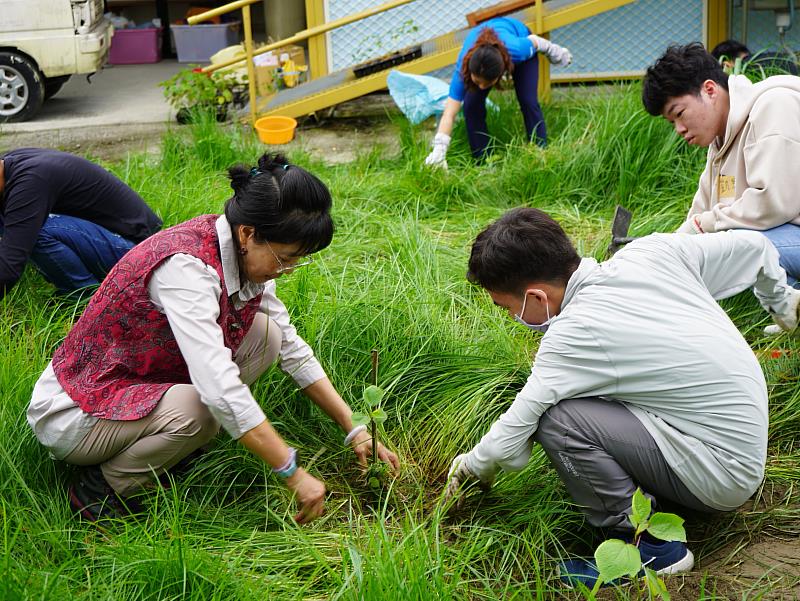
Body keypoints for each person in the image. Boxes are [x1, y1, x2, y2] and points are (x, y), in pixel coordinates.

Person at [27, 153, 399, 523]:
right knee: (204, 409)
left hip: (140, 381)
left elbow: (290, 348)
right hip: (81, 409)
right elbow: (219, 387)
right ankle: (102, 490)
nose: (288, 270)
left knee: (266, 336)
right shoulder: (186, 269)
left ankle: (172, 446)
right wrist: (290, 470)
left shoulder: (241, 255)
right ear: (248, 234)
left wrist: (356, 429)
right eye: (285, 258)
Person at [443, 207, 800, 588]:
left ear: (535, 296)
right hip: (738, 443)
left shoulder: (573, 334)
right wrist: (785, 309)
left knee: (560, 420)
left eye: (507, 307)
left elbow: (512, 432)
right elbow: (756, 246)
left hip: (722, 474)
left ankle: (650, 548)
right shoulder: (653, 252)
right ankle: (660, 502)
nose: (510, 316)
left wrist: (468, 471)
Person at [642, 43, 800, 284]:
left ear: (709, 90)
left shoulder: (774, 106)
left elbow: (773, 203)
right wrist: (670, 248)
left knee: (737, 249)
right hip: (788, 236)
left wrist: (702, 228)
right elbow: (702, 211)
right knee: (715, 252)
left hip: (790, 231)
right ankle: (791, 310)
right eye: (671, 122)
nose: (679, 129)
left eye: (680, 113)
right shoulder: (720, 140)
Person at [0, 148, 162, 298]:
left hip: (138, 251)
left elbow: (10, 267)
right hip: (110, 236)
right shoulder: (10, 165)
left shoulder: (30, 182)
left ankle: (86, 298)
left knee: (35, 231)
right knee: (16, 223)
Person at [424, 17, 572, 168]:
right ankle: (483, 162)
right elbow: (449, 113)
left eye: (487, 83)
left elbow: (537, 42)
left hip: (517, 36)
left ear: (500, 73)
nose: (481, 87)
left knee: (528, 101)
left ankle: (540, 152)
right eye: (477, 81)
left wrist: (556, 52)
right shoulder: (463, 68)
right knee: (471, 106)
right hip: (485, 44)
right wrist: (439, 151)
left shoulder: (518, 50)